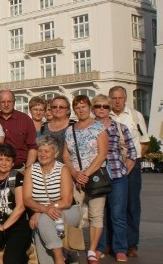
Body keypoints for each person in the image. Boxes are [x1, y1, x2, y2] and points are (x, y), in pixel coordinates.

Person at [62, 95, 109, 264]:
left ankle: (92, 249)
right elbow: (66, 155)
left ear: (89, 108)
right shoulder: (70, 130)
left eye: (83, 106)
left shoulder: (99, 127)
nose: (81, 110)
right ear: (74, 110)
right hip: (75, 178)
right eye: (77, 107)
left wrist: (86, 174)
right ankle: (74, 246)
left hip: (95, 176)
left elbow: (102, 153)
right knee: (76, 214)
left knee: (96, 215)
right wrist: (75, 173)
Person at [93, 94, 137, 262]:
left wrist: (125, 169)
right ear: (93, 109)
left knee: (118, 214)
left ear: (109, 109)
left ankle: (120, 248)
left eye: (105, 106)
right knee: (98, 215)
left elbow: (132, 152)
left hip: (118, 175)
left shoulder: (120, 127)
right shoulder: (89, 127)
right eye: (98, 106)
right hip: (97, 176)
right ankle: (100, 247)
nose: (101, 109)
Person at [23, 135, 81, 264]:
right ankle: (58, 257)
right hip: (45, 213)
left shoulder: (63, 169)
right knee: (41, 232)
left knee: (42, 220)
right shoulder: (31, 170)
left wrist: (41, 211)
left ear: (55, 153)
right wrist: (43, 209)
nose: (42, 154)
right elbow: (26, 199)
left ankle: (59, 258)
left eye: (47, 151)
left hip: (67, 210)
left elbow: (66, 200)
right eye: (40, 150)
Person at [108, 85, 149, 258]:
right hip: (111, 167)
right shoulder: (103, 115)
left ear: (125, 99)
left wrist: (131, 162)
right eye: (114, 98)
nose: (117, 101)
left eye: (120, 98)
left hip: (132, 166)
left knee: (132, 205)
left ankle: (131, 243)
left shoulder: (135, 116)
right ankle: (113, 242)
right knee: (112, 206)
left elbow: (144, 142)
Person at [0, 90, 37, 170]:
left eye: (9, 101)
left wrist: (27, 169)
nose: (6, 105)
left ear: (14, 102)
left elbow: (33, 147)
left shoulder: (25, 119)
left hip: (20, 168)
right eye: (3, 102)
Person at [39, 95, 73, 162]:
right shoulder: (44, 126)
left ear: (67, 110)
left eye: (61, 107)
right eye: (54, 107)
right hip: (48, 166)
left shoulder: (73, 125)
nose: (58, 109)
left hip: (69, 167)